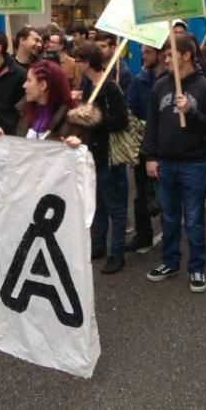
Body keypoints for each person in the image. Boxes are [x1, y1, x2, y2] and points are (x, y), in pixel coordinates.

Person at [142, 36, 206, 293]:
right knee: (169, 217)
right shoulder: (160, 86)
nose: (165, 60)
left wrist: (192, 113)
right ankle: (170, 261)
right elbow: (151, 124)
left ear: (186, 55)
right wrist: (150, 157)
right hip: (165, 161)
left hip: (195, 163)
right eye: (164, 55)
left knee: (195, 219)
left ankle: (197, 267)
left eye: (169, 55)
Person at [74, 42, 130, 275]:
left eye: (78, 59)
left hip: (109, 154)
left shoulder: (110, 87)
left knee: (115, 206)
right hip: (93, 153)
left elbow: (121, 121)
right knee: (97, 203)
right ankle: (98, 246)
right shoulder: (88, 85)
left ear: (87, 62)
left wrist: (93, 117)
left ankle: (116, 254)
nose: (75, 64)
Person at [125, 44, 166, 253]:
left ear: (160, 54)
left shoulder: (173, 81)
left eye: (148, 52)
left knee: (167, 194)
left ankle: (170, 237)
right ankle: (143, 234)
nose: (144, 56)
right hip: (144, 143)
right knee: (141, 192)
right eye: (142, 53)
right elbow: (130, 108)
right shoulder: (139, 80)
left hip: (167, 147)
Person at [0, 60, 85, 146]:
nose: (24, 85)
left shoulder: (72, 121)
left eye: (29, 80)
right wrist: (5, 138)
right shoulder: (24, 113)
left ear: (43, 85)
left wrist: (76, 144)